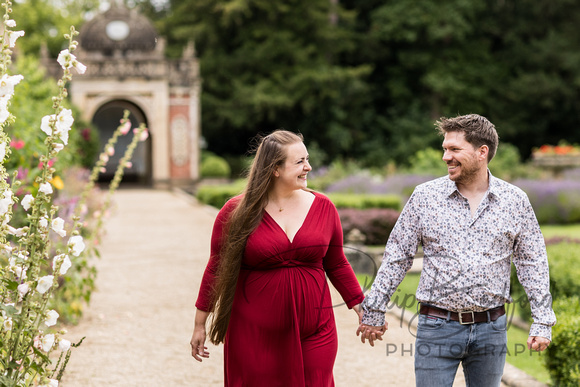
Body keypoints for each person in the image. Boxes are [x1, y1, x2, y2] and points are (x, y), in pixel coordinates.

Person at [357, 114, 556, 386]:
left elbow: (532, 262)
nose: (445, 157)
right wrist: (374, 310)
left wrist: (543, 321)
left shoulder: (515, 201)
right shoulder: (425, 197)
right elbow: (397, 256)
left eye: (454, 149)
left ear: (481, 152)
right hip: (436, 327)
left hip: (492, 329)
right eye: (444, 149)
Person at [190, 129, 364, 386]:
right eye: (300, 162)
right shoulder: (236, 212)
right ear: (275, 169)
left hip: (316, 329)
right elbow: (216, 268)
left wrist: (361, 307)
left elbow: (336, 262)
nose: (309, 167)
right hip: (255, 332)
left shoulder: (324, 206)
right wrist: (199, 323)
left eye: (307, 159)